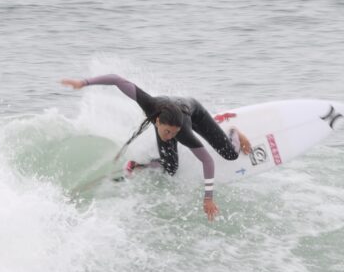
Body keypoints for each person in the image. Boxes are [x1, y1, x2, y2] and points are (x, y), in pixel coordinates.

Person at [61, 74, 252, 221]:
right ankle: (141, 166)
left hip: (194, 113)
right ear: (158, 121)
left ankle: (233, 132)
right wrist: (83, 83)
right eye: (168, 132)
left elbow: (207, 161)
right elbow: (117, 80)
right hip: (169, 111)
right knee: (171, 169)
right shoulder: (149, 104)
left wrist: (208, 197)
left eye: (173, 133)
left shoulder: (182, 132)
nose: (171, 137)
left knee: (230, 154)